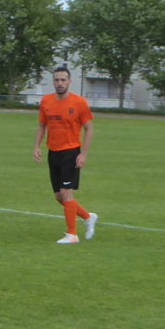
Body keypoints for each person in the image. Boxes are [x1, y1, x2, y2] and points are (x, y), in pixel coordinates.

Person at [33, 66, 98, 244]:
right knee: (59, 196)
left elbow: (89, 129)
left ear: (69, 81)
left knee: (66, 194)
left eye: (63, 80)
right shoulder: (46, 101)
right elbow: (41, 126)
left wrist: (83, 154)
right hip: (53, 152)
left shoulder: (79, 102)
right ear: (53, 81)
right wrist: (37, 146)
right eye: (57, 80)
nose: (60, 83)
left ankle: (72, 235)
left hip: (70, 152)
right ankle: (87, 216)